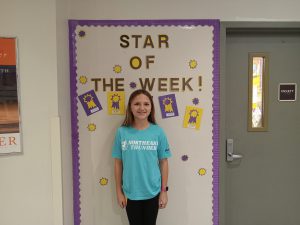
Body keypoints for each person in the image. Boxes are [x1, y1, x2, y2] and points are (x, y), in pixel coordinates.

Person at [112, 89, 171, 225]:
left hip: (153, 191)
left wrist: (163, 191)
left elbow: (164, 162)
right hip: (131, 192)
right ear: (130, 107)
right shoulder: (122, 132)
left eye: (146, 104)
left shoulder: (158, 131)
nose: (142, 108)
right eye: (137, 104)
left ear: (151, 108)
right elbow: (118, 163)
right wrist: (118, 191)